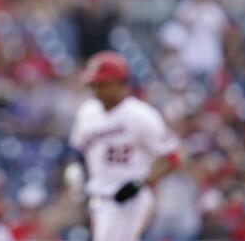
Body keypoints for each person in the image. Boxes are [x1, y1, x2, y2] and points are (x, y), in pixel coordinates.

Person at [68, 51, 180, 241]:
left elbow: (172, 158)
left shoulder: (141, 115)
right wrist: (76, 173)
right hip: (97, 198)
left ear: (121, 83)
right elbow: (77, 150)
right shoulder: (87, 112)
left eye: (102, 84)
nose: (96, 89)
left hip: (128, 199)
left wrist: (142, 183)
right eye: (93, 84)